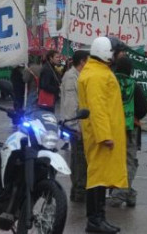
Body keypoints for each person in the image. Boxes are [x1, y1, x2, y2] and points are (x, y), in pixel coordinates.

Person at [77, 37, 127, 233]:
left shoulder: (98, 71)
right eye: (115, 52)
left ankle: (99, 218)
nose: (117, 55)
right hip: (102, 137)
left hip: (102, 135)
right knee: (97, 179)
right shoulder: (97, 75)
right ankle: (95, 220)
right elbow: (97, 108)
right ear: (106, 53)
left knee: (101, 178)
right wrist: (105, 135)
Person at [109, 56, 147, 208]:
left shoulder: (110, 83)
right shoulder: (134, 85)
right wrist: (135, 116)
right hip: (130, 128)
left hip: (112, 127)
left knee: (115, 161)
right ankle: (124, 193)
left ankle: (124, 193)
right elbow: (143, 108)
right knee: (129, 161)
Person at [59, 50, 89, 203]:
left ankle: (78, 190)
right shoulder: (71, 77)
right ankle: (78, 191)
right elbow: (71, 104)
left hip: (77, 125)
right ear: (82, 62)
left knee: (80, 159)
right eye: (87, 61)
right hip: (75, 126)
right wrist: (75, 126)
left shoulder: (77, 76)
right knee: (78, 160)